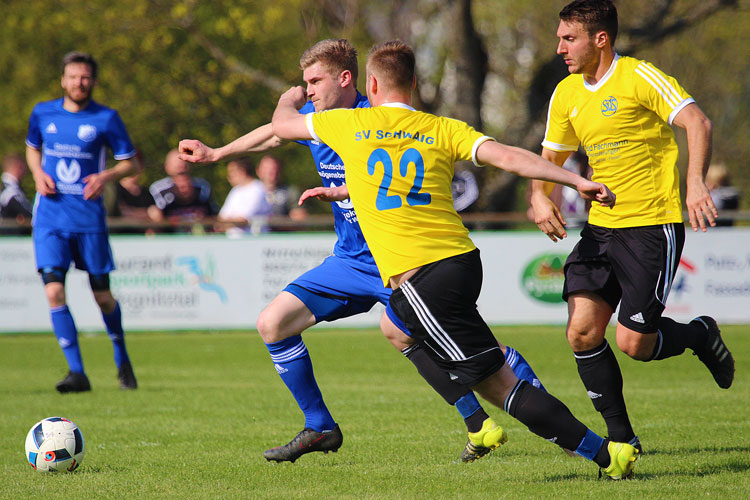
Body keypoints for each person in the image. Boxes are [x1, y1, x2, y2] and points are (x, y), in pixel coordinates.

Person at [272, 39, 638, 479]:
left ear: (370, 84)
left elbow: (284, 125)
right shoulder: (441, 127)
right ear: (413, 83)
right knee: (403, 331)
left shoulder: (349, 125)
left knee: (498, 385)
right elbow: (508, 157)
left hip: (423, 279)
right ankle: (500, 425)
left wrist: (286, 99)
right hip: (462, 262)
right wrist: (573, 180)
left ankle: (605, 455)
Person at [179, 39, 545, 464]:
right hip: (350, 260)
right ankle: (320, 427)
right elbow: (275, 133)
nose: (309, 90)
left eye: (315, 81)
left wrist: (347, 189)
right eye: (306, 83)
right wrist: (218, 152)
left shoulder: (375, 121)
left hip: (402, 260)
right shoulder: (318, 119)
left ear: (347, 78)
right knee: (273, 324)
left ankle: (539, 417)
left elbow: (401, 175)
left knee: (471, 352)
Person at [528, 0, 735, 452]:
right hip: (601, 228)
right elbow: (551, 159)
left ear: (600, 39)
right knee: (582, 332)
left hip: (650, 226)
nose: (559, 47)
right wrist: (538, 197)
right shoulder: (566, 92)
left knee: (635, 343)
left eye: (569, 38)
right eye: (560, 37)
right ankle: (622, 441)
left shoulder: (638, 76)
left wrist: (695, 183)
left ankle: (699, 334)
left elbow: (696, 121)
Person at [25, 51, 140, 393]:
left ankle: (122, 357)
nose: (79, 83)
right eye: (74, 76)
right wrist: (36, 172)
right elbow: (32, 147)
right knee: (54, 289)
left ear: (94, 81)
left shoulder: (106, 118)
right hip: (50, 217)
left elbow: (131, 164)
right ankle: (77, 373)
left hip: (89, 219)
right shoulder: (43, 113)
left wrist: (105, 176)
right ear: (63, 80)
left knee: (103, 297)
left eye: (85, 77)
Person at [148, 149, 218, 228]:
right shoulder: (158, 190)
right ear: (167, 168)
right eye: (178, 174)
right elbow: (155, 219)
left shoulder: (203, 187)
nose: (181, 166)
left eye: (184, 173)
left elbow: (214, 216)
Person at [217, 157, 271, 235]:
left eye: (231, 172)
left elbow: (243, 221)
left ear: (242, 172)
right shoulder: (235, 190)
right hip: (234, 242)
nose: (229, 177)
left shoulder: (258, 189)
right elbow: (220, 219)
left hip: (254, 243)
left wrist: (226, 223)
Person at [256, 154, 307, 222]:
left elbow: (300, 218)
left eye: (274, 169)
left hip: (282, 232)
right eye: (266, 169)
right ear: (258, 171)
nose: (271, 172)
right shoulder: (247, 192)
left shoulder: (290, 192)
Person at [0, 154, 33, 232]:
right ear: (17, 167)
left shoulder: (9, 188)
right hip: (11, 237)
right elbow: (27, 214)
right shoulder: (11, 191)